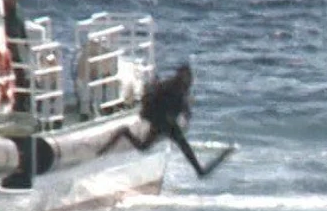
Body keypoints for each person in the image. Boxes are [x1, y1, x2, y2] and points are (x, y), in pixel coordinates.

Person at [97, 63, 235, 177]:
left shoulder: (181, 88)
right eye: (187, 76)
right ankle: (199, 170)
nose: (190, 80)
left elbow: (183, 106)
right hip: (161, 119)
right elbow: (167, 102)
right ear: (182, 76)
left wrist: (185, 113)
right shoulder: (172, 86)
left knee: (146, 147)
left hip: (164, 120)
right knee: (179, 143)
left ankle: (124, 133)